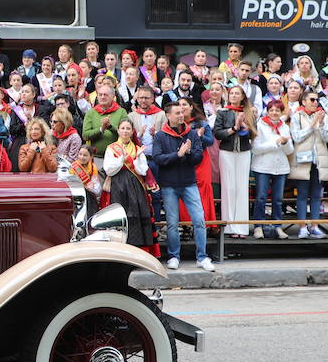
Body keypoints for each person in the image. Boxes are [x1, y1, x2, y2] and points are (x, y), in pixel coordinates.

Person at [150, 100, 216, 272]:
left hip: (189, 183)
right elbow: (158, 159)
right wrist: (177, 155)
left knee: (199, 219)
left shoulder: (192, 134)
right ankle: (174, 256)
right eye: (177, 113)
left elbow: (198, 157)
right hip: (169, 185)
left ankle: (202, 257)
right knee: (172, 222)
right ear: (168, 115)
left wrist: (187, 154)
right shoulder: (160, 136)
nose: (181, 115)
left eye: (182, 112)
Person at [102, 119, 156, 253]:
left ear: (132, 132)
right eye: (122, 128)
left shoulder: (138, 149)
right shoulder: (111, 148)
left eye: (128, 129)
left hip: (135, 185)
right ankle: (118, 248)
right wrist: (122, 159)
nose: (125, 131)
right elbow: (108, 169)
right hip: (118, 185)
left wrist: (136, 158)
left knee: (136, 214)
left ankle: (138, 248)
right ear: (118, 130)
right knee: (120, 215)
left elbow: (143, 170)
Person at [289, 90, 328, 238]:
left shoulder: (323, 116)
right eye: (312, 100)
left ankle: (314, 226)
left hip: (318, 160)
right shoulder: (297, 116)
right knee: (302, 195)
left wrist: (321, 124)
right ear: (304, 101)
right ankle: (302, 227)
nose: (315, 103)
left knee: (316, 195)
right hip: (302, 159)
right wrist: (312, 125)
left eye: (316, 100)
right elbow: (296, 137)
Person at [213, 85, 255, 237]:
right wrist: (234, 128)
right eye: (232, 93)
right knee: (229, 188)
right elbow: (217, 134)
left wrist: (244, 127)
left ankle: (241, 227)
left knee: (241, 188)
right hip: (227, 152)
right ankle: (229, 226)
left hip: (244, 152)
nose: (234, 96)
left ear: (243, 97)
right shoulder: (223, 112)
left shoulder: (248, 113)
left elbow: (253, 133)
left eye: (237, 93)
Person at [252, 99, 294, 240]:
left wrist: (285, 143)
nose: (274, 113)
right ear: (267, 111)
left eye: (277, 110)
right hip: (262, 166)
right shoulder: (260, 125)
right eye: (271, 110)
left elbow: (290, 150)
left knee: (278, 199)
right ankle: (258, 225)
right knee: (261, 197)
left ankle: (278, 226)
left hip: (280, 167)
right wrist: (275, 143)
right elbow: (256, 149)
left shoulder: (285, 127)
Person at [82, 78, 123, 165]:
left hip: (116, 157)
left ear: (113, 96)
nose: (102, 97)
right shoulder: (91, 112)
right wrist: (101, 129)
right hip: (96, 158)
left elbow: (125, 134)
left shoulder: (121, 112)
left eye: (105, 95)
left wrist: (110, 127)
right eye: (100, 95)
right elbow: (85, 135)